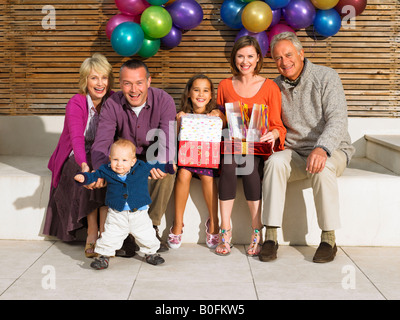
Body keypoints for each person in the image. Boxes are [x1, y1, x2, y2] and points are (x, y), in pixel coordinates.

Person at [260, 32, 355, 263]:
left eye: (289, 54)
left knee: (322, 168)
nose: (284, 62)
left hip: (332, 149)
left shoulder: (326, 76)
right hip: (296, 153)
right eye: (278, 58)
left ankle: (328, 239)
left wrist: (322, 148)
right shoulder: (274, 86)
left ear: (301, 53)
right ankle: (270, 236)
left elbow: (338, 118)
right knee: (274, 163)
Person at [90, 59, 176, 253]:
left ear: (148, 81)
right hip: (125, 159)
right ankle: (125, 234)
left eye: (139, 82)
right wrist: (102, 169)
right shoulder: (112, 104)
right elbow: (102, 141)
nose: (134, 89)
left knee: (167, 171)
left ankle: (149, 228)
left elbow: (167, 140)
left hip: (152, 157)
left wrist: (161, 164)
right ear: (120, 84)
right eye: (127, 83)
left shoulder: (164, 100)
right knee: (114, 170)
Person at [215, 36, 286, 256]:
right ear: (234, 58)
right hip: (232, 144)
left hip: (256, 148)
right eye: (240, 56)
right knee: (228, 165)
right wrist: (215, 116)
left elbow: (277, 124)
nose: (244, 61)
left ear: (257, 59)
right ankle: (225, 230)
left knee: (248, 166)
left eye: (250, 57)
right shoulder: (225, 85)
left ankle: (257, 230)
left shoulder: (270, 87)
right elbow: (222, 117)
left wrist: (273, 133)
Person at [43, 53, 114, 258]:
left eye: (104, 77)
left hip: (102, 153)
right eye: (94, 78)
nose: (100, 83)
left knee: (104, 170)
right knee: (85, 173)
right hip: (75, 153)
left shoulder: (113, 99)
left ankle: (105, 231)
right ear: (85, 80)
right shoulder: (76, 102)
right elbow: (76, 138)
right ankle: (93, 233)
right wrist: (84, 164)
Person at [75, 139, 176, 269]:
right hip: (117, 214)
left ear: (132, 161)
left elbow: (155, 166)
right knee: (109, 236)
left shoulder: (141, 167)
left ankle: (151, 253)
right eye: (115, 160)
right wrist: (84, 178)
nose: (119, 164)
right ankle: (104, 257)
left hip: (139, 213)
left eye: (124, 160)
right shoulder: (106, 170)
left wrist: (168, 167)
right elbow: (95, 176)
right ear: (110, 159)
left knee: (147, 235)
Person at [167, 74, 225, 249]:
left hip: (208, 160)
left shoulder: (216, 112)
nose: (201, 94)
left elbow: (226, 122)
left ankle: (214, 223)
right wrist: (178, 122)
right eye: (196, 90)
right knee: (183, 174)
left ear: (211, 95)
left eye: (205, 90)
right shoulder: (183, 114)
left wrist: (220, 116)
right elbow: (173, 138)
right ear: (189, 94)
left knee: (207, 177)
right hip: (188, 158)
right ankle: (178, 223)